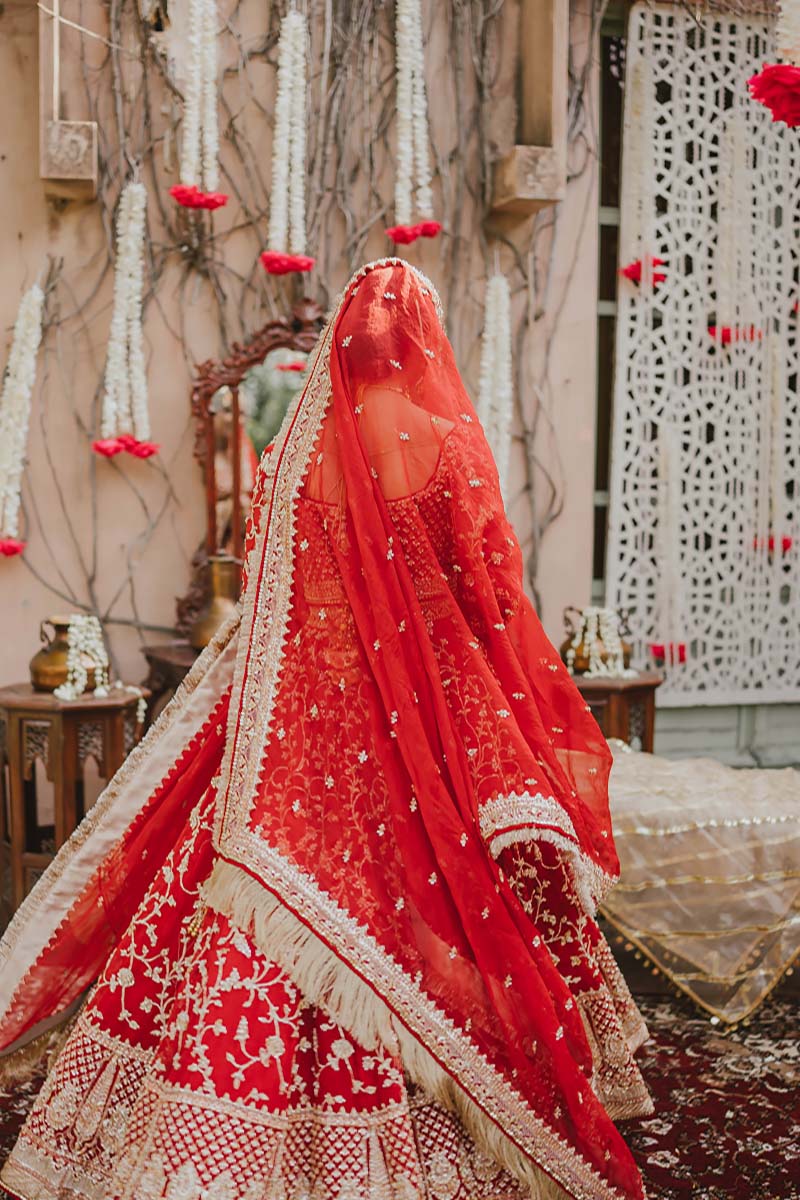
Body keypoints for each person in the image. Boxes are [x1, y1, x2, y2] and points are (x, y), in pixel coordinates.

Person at [0, 260, 652, 1200]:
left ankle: (199, 1138)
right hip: (408, 725)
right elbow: (485, 595)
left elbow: (272, 595)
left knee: (249, 893)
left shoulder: (298, 455)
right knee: (424, 899)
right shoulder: (441, 439)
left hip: (294, 724)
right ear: (421, 341)